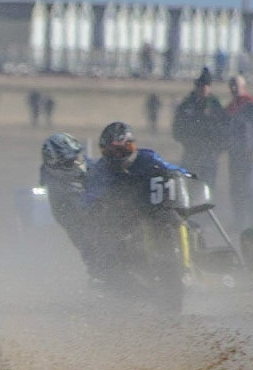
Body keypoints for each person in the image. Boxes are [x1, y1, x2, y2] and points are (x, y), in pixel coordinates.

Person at [79, 122, 186, 267]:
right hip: (127, 215)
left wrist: (186, 174)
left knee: (184, 223)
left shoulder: (148, 158)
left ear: (132, 146)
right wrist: (92, 207)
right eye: (113, 151)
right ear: (105, 151)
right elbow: (92, 193)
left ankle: (188, 263)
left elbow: (170, 169)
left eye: (124, 149)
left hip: (158, 207)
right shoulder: (101, 170)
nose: (118, 155)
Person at [38, 133, 97, 271]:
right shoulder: (59, 191)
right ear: (55, 165)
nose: (77, 164)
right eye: (70, 162)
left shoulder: (87, 169)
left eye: (77, 157)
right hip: (89, 231)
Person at [170, 69, 226, 191]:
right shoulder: (187, 104)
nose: (202, 89)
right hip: (191, 151)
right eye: (200, 86)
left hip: (209, 153)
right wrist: (187, 140)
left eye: (205, 86)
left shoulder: (215, 105)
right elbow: (178, 127)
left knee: (208, 187)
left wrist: (217, 148)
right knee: (188, 184)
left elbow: (222, 129)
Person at [223, 75, 253, 230]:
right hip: (234, 153)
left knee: (247, 186)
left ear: (243, 86)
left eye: (236, 85)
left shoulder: (252, 105)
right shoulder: (230, 107)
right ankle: (238, 220)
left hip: (248, 153)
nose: (233, 88)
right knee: (235, 187)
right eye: (231, 85)